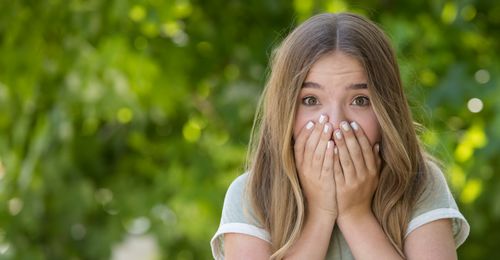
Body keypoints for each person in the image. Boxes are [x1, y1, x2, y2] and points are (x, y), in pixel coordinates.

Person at [211, 12, 469, 259]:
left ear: (386, 111)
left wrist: (355, 214)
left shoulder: (420, 183)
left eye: (359, 100)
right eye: (311, 100)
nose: (335, 124)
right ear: (285, 110)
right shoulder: (251, 194)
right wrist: (321, 213)